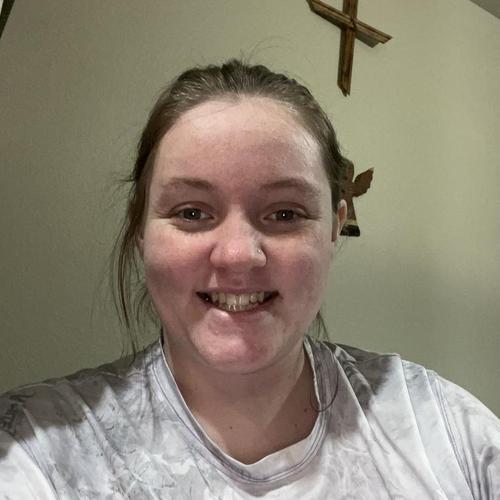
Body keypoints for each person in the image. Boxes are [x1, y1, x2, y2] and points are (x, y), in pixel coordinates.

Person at [0, 59, 499, 499]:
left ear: (335, 227)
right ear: (141, 230)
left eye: (285, 214)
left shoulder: (444, 429)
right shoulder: (34, 451)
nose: (239, 255)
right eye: (192, 212)